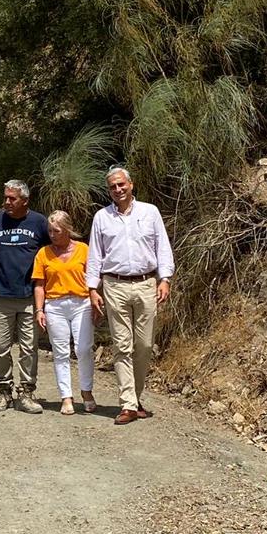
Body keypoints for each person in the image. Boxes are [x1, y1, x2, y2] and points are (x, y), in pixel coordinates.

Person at [85, 166, 174, 425]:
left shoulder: (150, 212)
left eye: (121, 184)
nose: (118, 189)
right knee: (122, 346)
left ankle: (135, 397)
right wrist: (93, 288)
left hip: (146, 283)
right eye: (113, 186)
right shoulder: (102, 217)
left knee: (144, 346)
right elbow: (95, 255)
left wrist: (164, 279)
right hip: (115, 285)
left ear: (131, 184)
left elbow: (163, 247)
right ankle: (128, 404)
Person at [0, 180, 49, 413]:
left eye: (12, 198)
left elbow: (49, 255)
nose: (7, 202)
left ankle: (27, 393)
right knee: (0, 347)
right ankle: (3, 392)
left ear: (25, 201)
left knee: (29, 348)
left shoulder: (39, 222)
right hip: (1, 296)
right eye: (6, 197)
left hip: (30, 296)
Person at [32, 211, 97, 416]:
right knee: (60, 352)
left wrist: (96, 299)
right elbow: (39, 285)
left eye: (57, 231)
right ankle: (66, 396)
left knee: (83, 348)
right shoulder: (43, 253)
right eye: (50, 231)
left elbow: (94, 277)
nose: (52, 234)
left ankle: (86, 391)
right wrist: (39, 309)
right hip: (55, 305)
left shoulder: (84, 249)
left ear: (67, 229)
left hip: (81, 302)